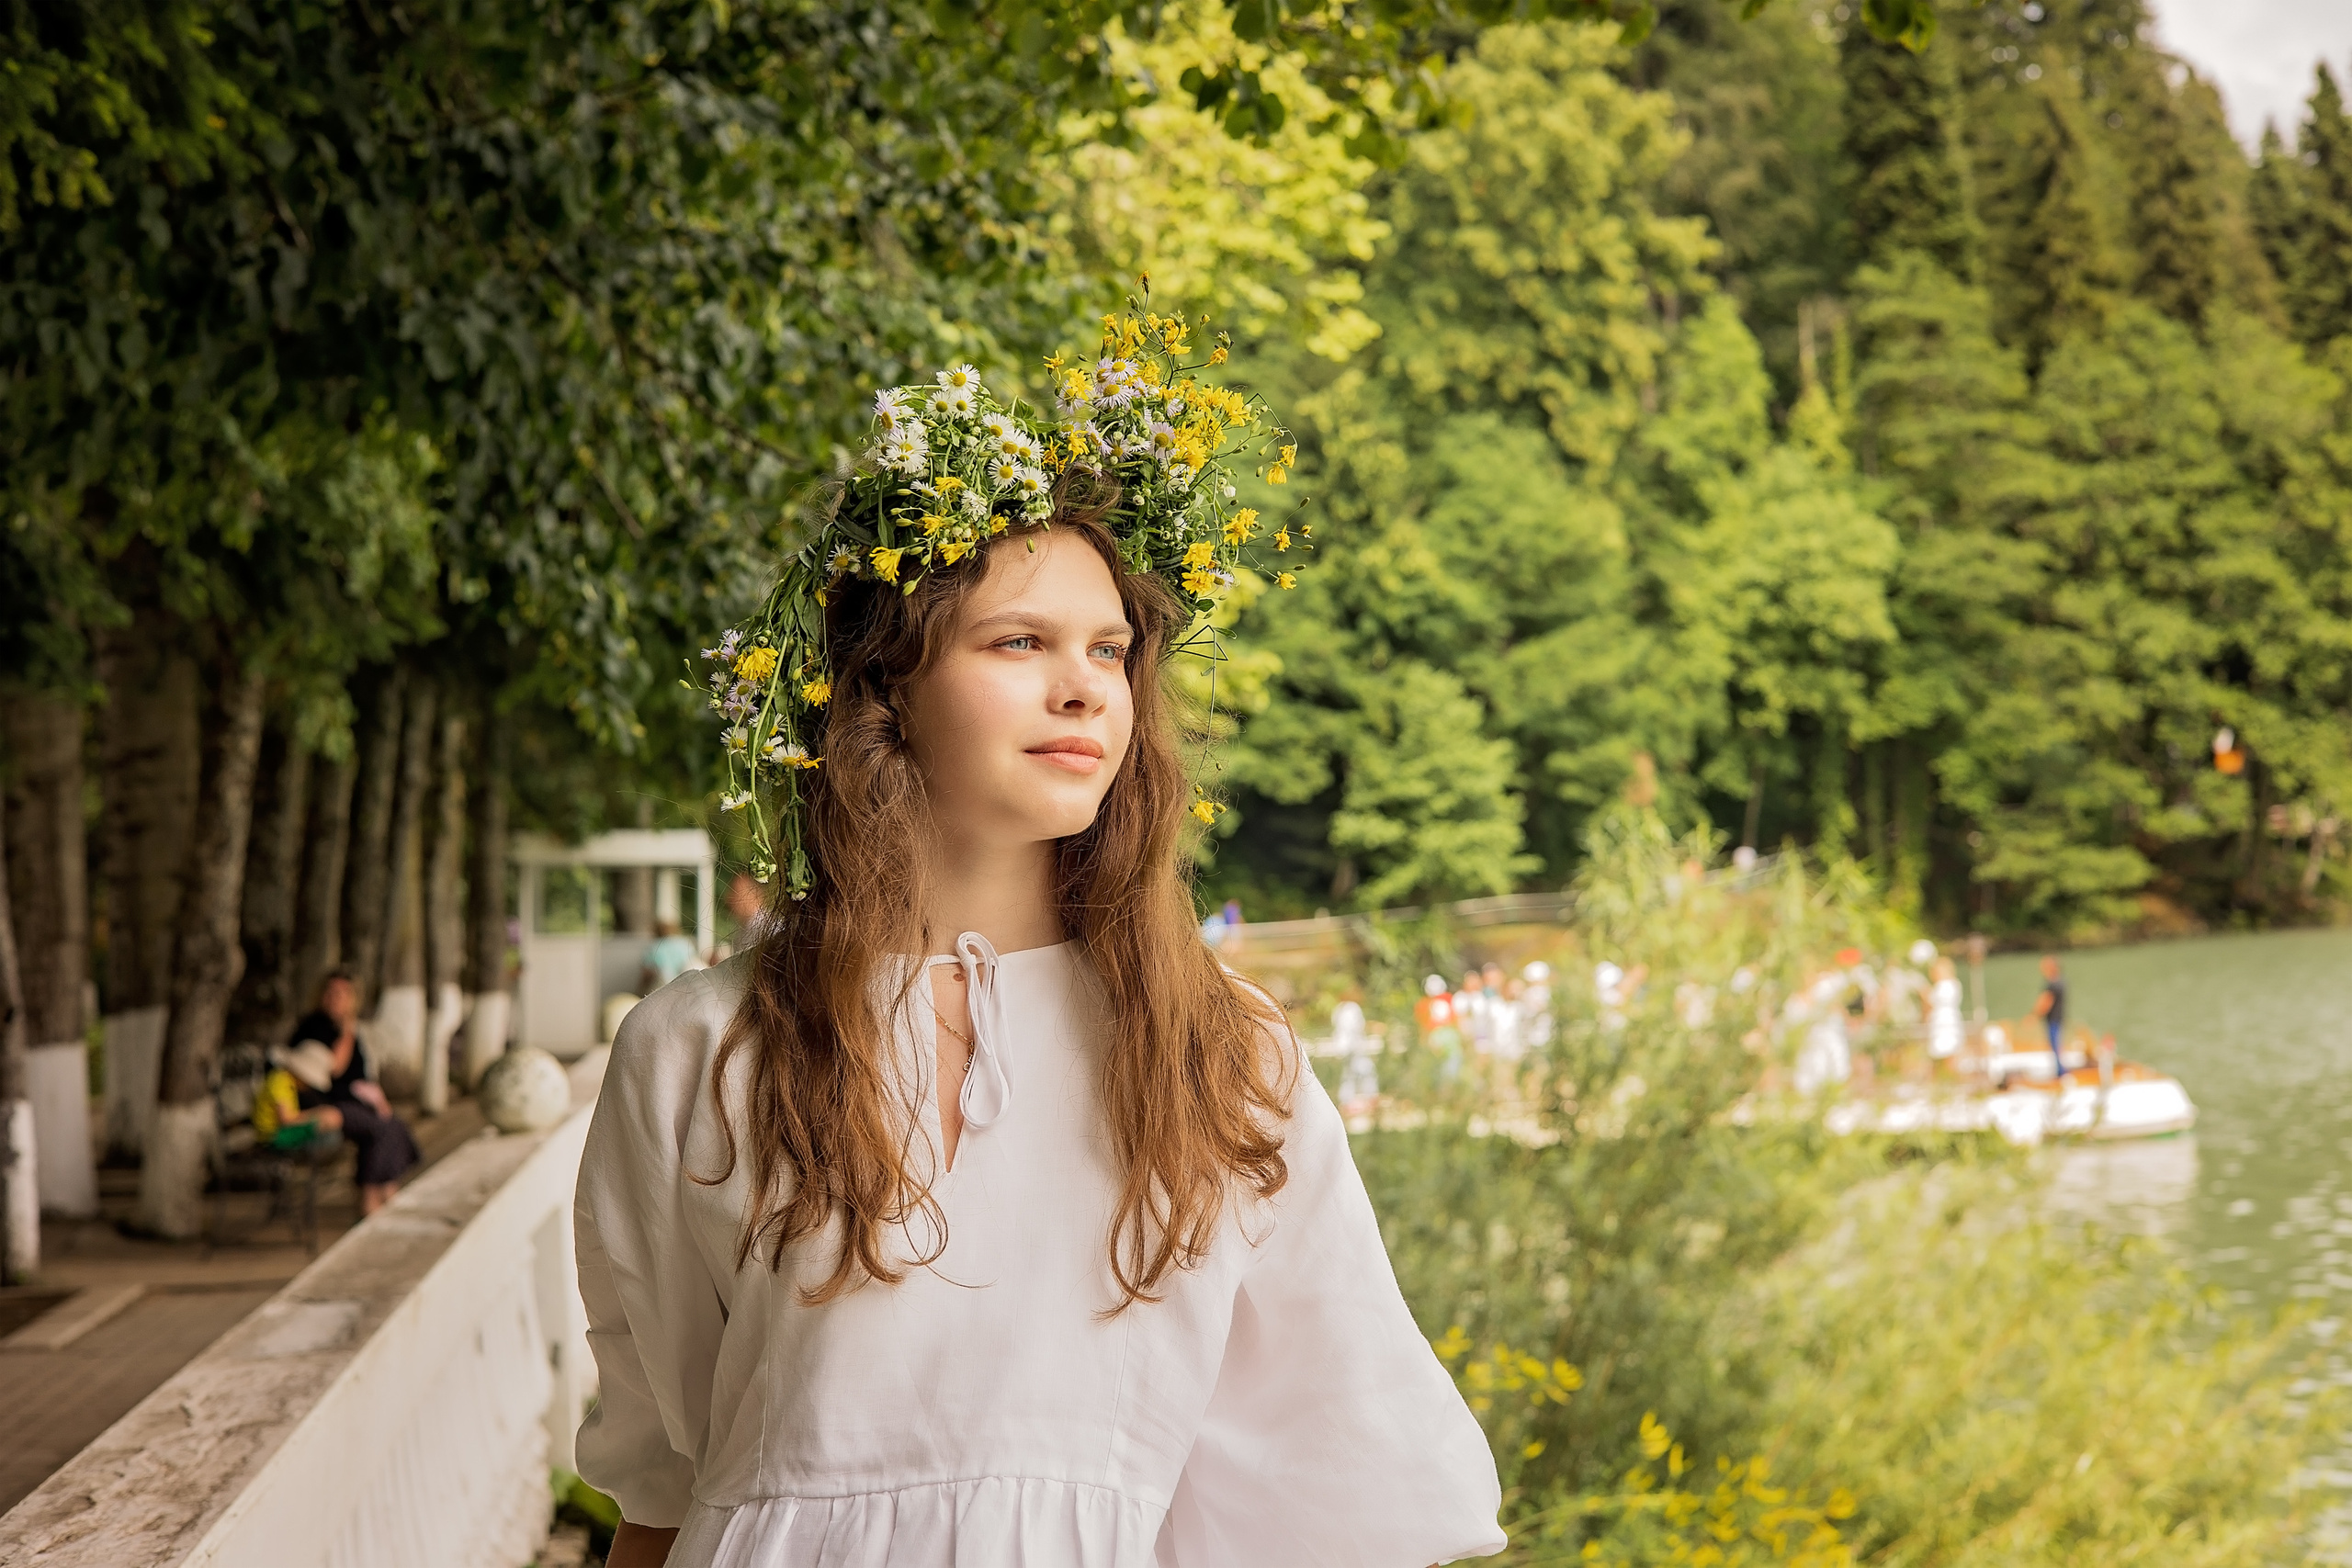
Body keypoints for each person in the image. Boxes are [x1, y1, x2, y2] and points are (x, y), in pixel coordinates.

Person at [575, 351, 1501, 1568]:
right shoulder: (698, 1047)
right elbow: (659, 1480)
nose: (1084, 689)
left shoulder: (1223, 1051)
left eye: (1111, 651)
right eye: (1020, 641)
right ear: (886, 691)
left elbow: (1338, 1462)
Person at [288, 972, 421, 1215]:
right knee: (380, 1129)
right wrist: (347, 1031)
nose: (335, 998)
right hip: (324, 1103)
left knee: (393, 1125)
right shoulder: (315, 1025)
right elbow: (334, 1067)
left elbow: (359, 1075)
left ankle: (386, 1188)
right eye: (331, 992)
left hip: (350, 1101)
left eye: (342, 994)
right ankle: (371, 1196)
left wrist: (376, 1099)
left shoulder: (348, 1027)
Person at [252, 1042, 345, 1153]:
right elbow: (286, 1119)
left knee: (332, 1125)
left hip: (274, 1133)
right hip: (272, 1136)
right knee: (330, 1127)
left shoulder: (284, 1079)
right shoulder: (280, 1081)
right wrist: (318, 1115)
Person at [639, 918, 699, 993]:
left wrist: (639, 992)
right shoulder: (685, 943)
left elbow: (647, 974)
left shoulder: (655, 947)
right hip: (687, 985)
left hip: (664, 986)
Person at [2032, 953, 2067, 1078]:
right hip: (2057, 1019)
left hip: (2054, 1020)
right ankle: (2060, 1072)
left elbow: (2046, 1002)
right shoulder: (2060, 981)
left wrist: (2033, 1016)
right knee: (2056, 1046)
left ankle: (2061, 1073)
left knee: (2055, 1046)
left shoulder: (2054, 984)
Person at [1928, 956, 1965, 1063]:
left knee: (1947, 1049)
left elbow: (1931, 1000)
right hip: (1944, 1021)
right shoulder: (1953, 984)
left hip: (1945, 1021)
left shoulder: (1945, 985)